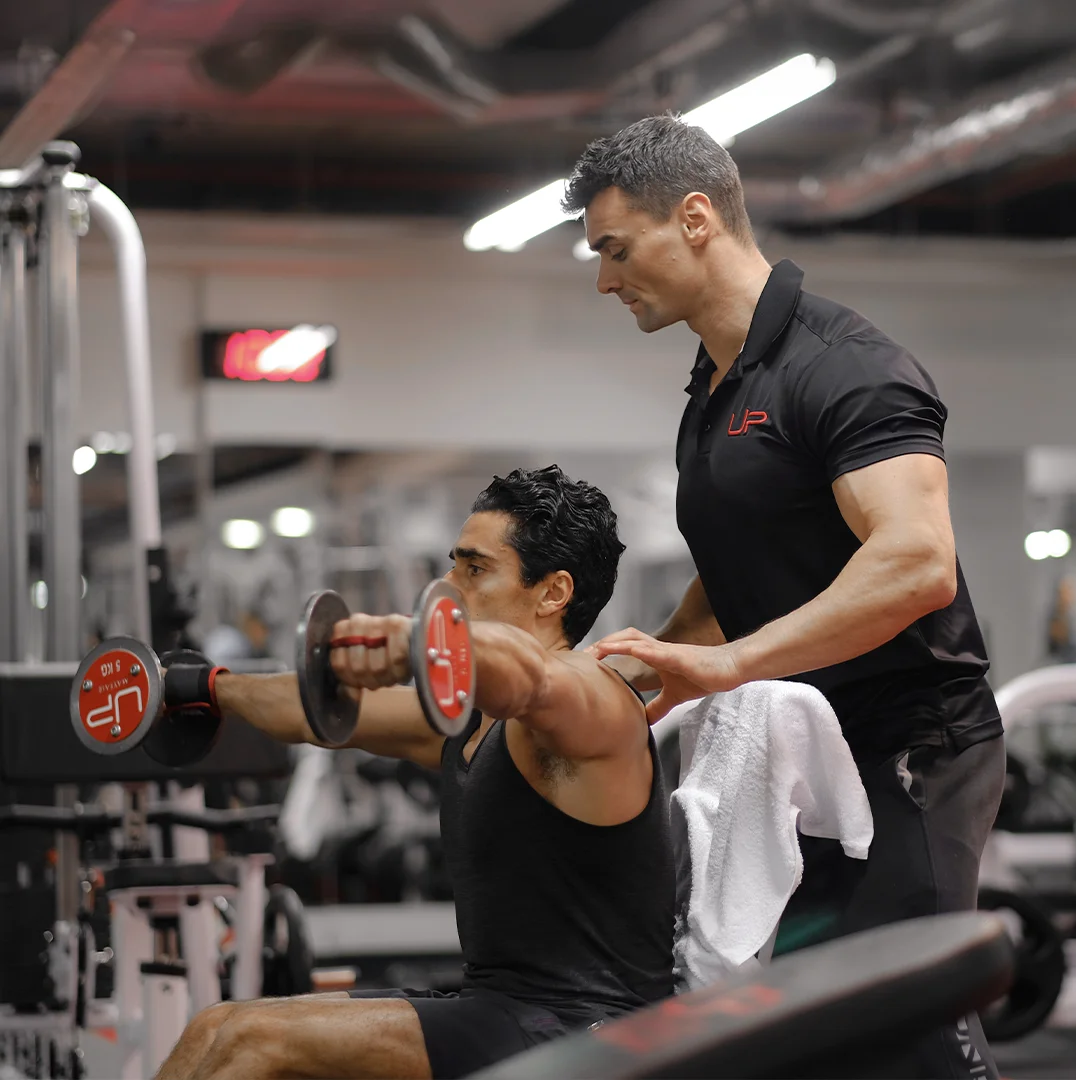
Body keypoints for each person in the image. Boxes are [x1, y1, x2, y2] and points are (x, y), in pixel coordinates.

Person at [562, 114, 1005, 1080]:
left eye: (615, 249)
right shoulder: (717, 383)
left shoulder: (840, 364)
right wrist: (640, 674)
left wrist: (726, 665)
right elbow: (740, 568)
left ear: (693, 220)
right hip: (798, 745)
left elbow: (916, 561)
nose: (605, 279)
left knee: (902, 1019)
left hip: (908, 746)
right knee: (796, 1030)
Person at [154, 465, 674, 1080]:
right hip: (500, 1010)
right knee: (216, 1025)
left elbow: (530, 677)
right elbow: (315, 710)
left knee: (254, 1042)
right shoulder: (466, 721)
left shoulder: (594, 698)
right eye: (453, 565)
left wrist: (419, 639)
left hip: (589, 1031)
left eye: (475, 570)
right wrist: (203, 688)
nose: (448, 585)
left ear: (553, 593)